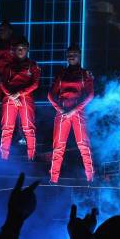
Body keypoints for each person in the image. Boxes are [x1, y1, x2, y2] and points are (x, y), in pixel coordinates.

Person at [48, 45, 95, 184]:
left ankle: (91, 177)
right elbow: (50, 95)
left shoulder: (85, 74)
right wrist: (60, 109)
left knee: (83, 145)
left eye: (74, 54)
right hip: (62, 112)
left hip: (78, 112)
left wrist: (75, 109)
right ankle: (53, 178)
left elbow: (90, 95)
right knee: (58, 146)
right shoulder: (61, 73)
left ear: (79, 55)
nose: (71, 56)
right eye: (69, 54)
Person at [0, 36, 40, 160]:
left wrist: (19, 93)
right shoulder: (9, 67)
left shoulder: (33, 65)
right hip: (9, 98)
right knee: (7, 127)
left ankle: (31, 157)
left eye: (23, 48)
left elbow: (35, 83)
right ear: (15, 50)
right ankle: (4, 157)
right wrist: (11, 95)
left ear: (27, 49)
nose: (20, 50)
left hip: (25, 98)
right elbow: (2, 82)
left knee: (28, 127)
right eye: (18, 48)